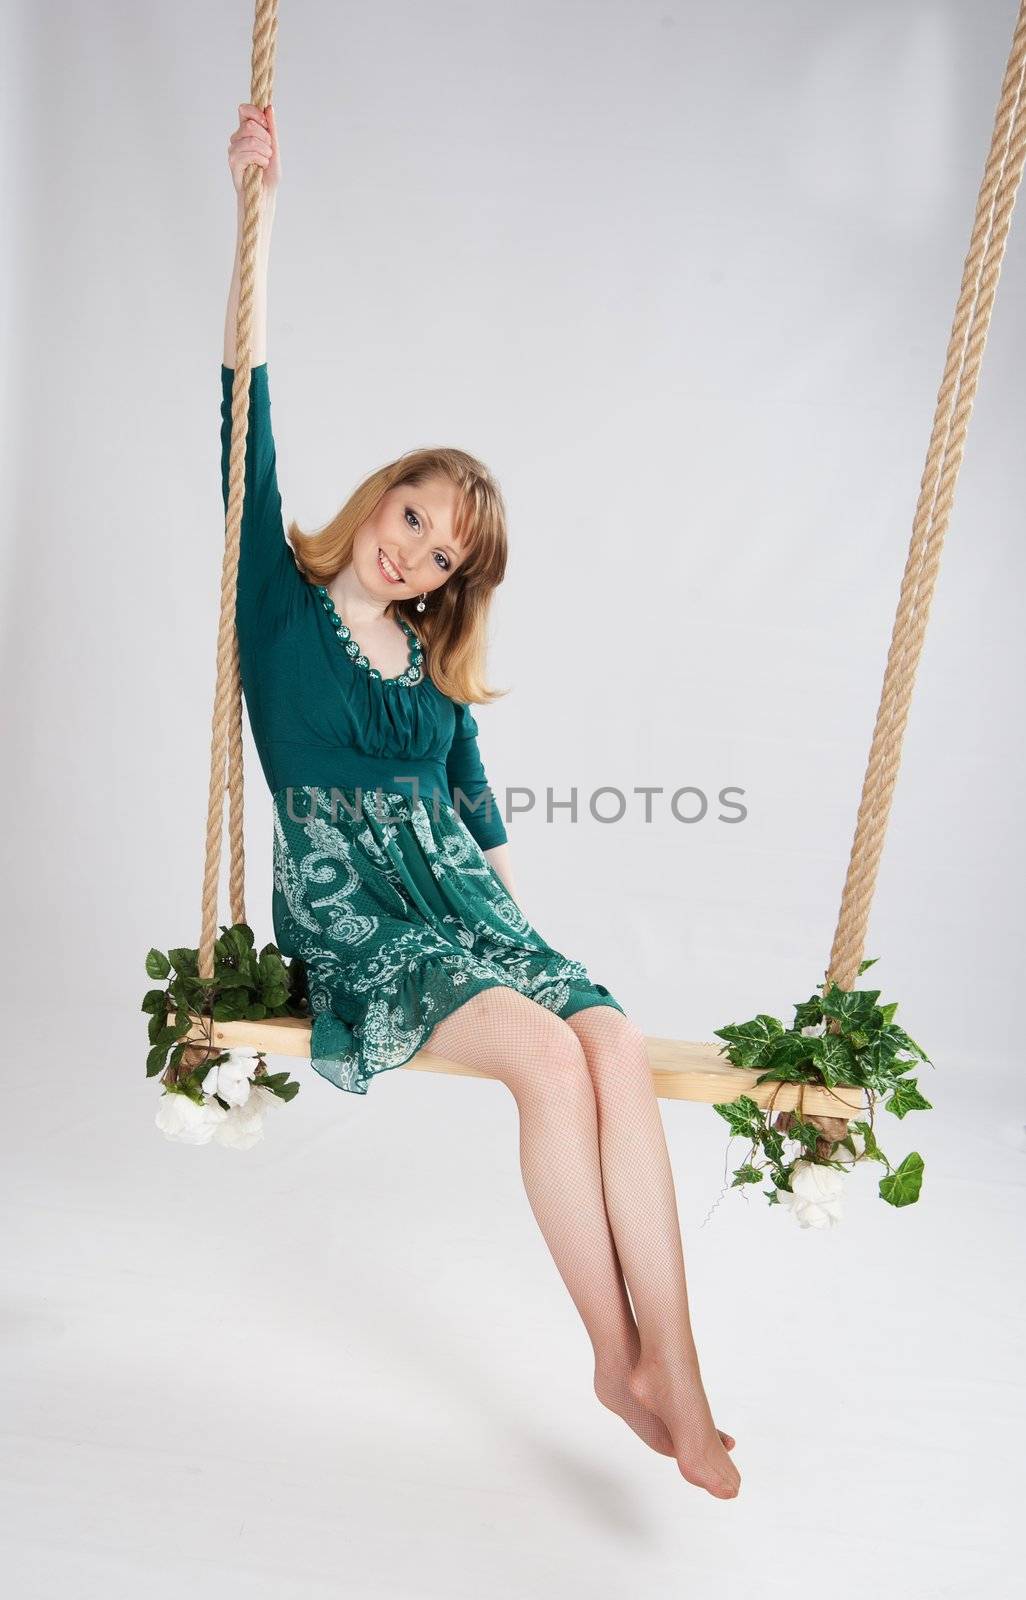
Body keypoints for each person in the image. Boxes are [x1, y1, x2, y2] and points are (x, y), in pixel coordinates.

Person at [221, 103, 740, 1500]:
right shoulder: (274, 593)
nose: (418, 557)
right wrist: (251, 213)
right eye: (412, 518)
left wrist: (526, 935)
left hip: (456, 896)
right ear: (378, 495)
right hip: (349, 900)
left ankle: (667, 1365)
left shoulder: (437, 671)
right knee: (537, 1055)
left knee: (607, 1039)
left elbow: (470, 802)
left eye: (444, 555)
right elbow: (242, 405)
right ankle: (608, 1343)